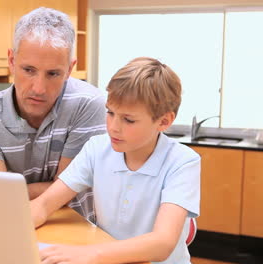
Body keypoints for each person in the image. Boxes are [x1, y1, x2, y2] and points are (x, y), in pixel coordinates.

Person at [30, 57, 201, 264]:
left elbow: (162, 244)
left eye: (128, 120)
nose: (113, 127)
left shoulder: (183, 162)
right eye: (110, 113)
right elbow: (45, 204)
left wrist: (90, 254)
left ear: (164, 121)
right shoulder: (96, 148)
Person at [0, 7, 106, 222]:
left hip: (77, 230)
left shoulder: (90, 105)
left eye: (53, 73)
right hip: (8, 226)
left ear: (69, 69)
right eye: (28, 70)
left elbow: (67, 191)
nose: (39, 88)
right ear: (11, 60)